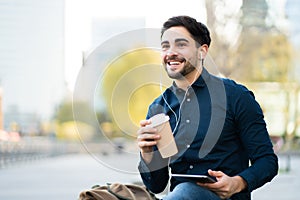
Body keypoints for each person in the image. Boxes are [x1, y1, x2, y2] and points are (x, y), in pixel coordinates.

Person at [137, 15, 278, 200]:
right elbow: (157, 185)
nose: (170, 52)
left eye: (180, 45)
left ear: (202, 51)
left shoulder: (236, 96)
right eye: (165, 46)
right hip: (178, 196)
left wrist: (237, 182)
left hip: (224, 198)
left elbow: (267, 161)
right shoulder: (158, 108)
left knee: (186, 191)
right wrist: (147, 155)